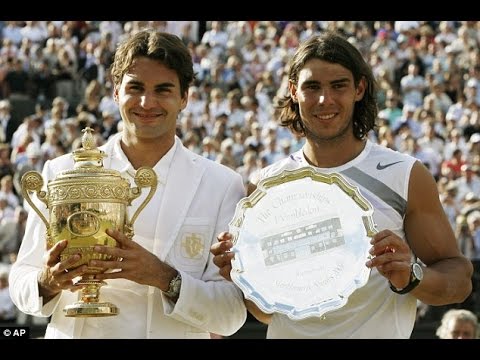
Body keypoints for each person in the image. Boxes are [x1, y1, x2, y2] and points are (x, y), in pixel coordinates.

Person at [210, 31, 473, 339]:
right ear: (293, 91)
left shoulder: (403, 175)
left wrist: (411, 276)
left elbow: (460, 280)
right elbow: (267, 313)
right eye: (312, 87)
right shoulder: (264, 187)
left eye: (338, 85)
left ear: (359, 89)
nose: (325, 99)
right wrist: (240, 276)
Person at [9, 29, 247, 338]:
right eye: (135, 87)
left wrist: (165, 278)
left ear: (185, 97)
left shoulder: (221, 185)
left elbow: (230, 314)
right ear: (116, 92)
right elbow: (21, 281)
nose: (147, 103)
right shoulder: (61, 171)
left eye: (163, 90)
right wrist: (47, 281)